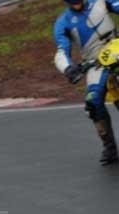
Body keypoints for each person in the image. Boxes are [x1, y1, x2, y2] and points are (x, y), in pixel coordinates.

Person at [54, 0, 119, 165]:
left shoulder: (101, 1)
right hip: (95, 63)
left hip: (117, 48)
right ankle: (109, 146)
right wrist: (68, 68)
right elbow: (61, 50)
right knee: (93, 101)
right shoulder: (63, 22)